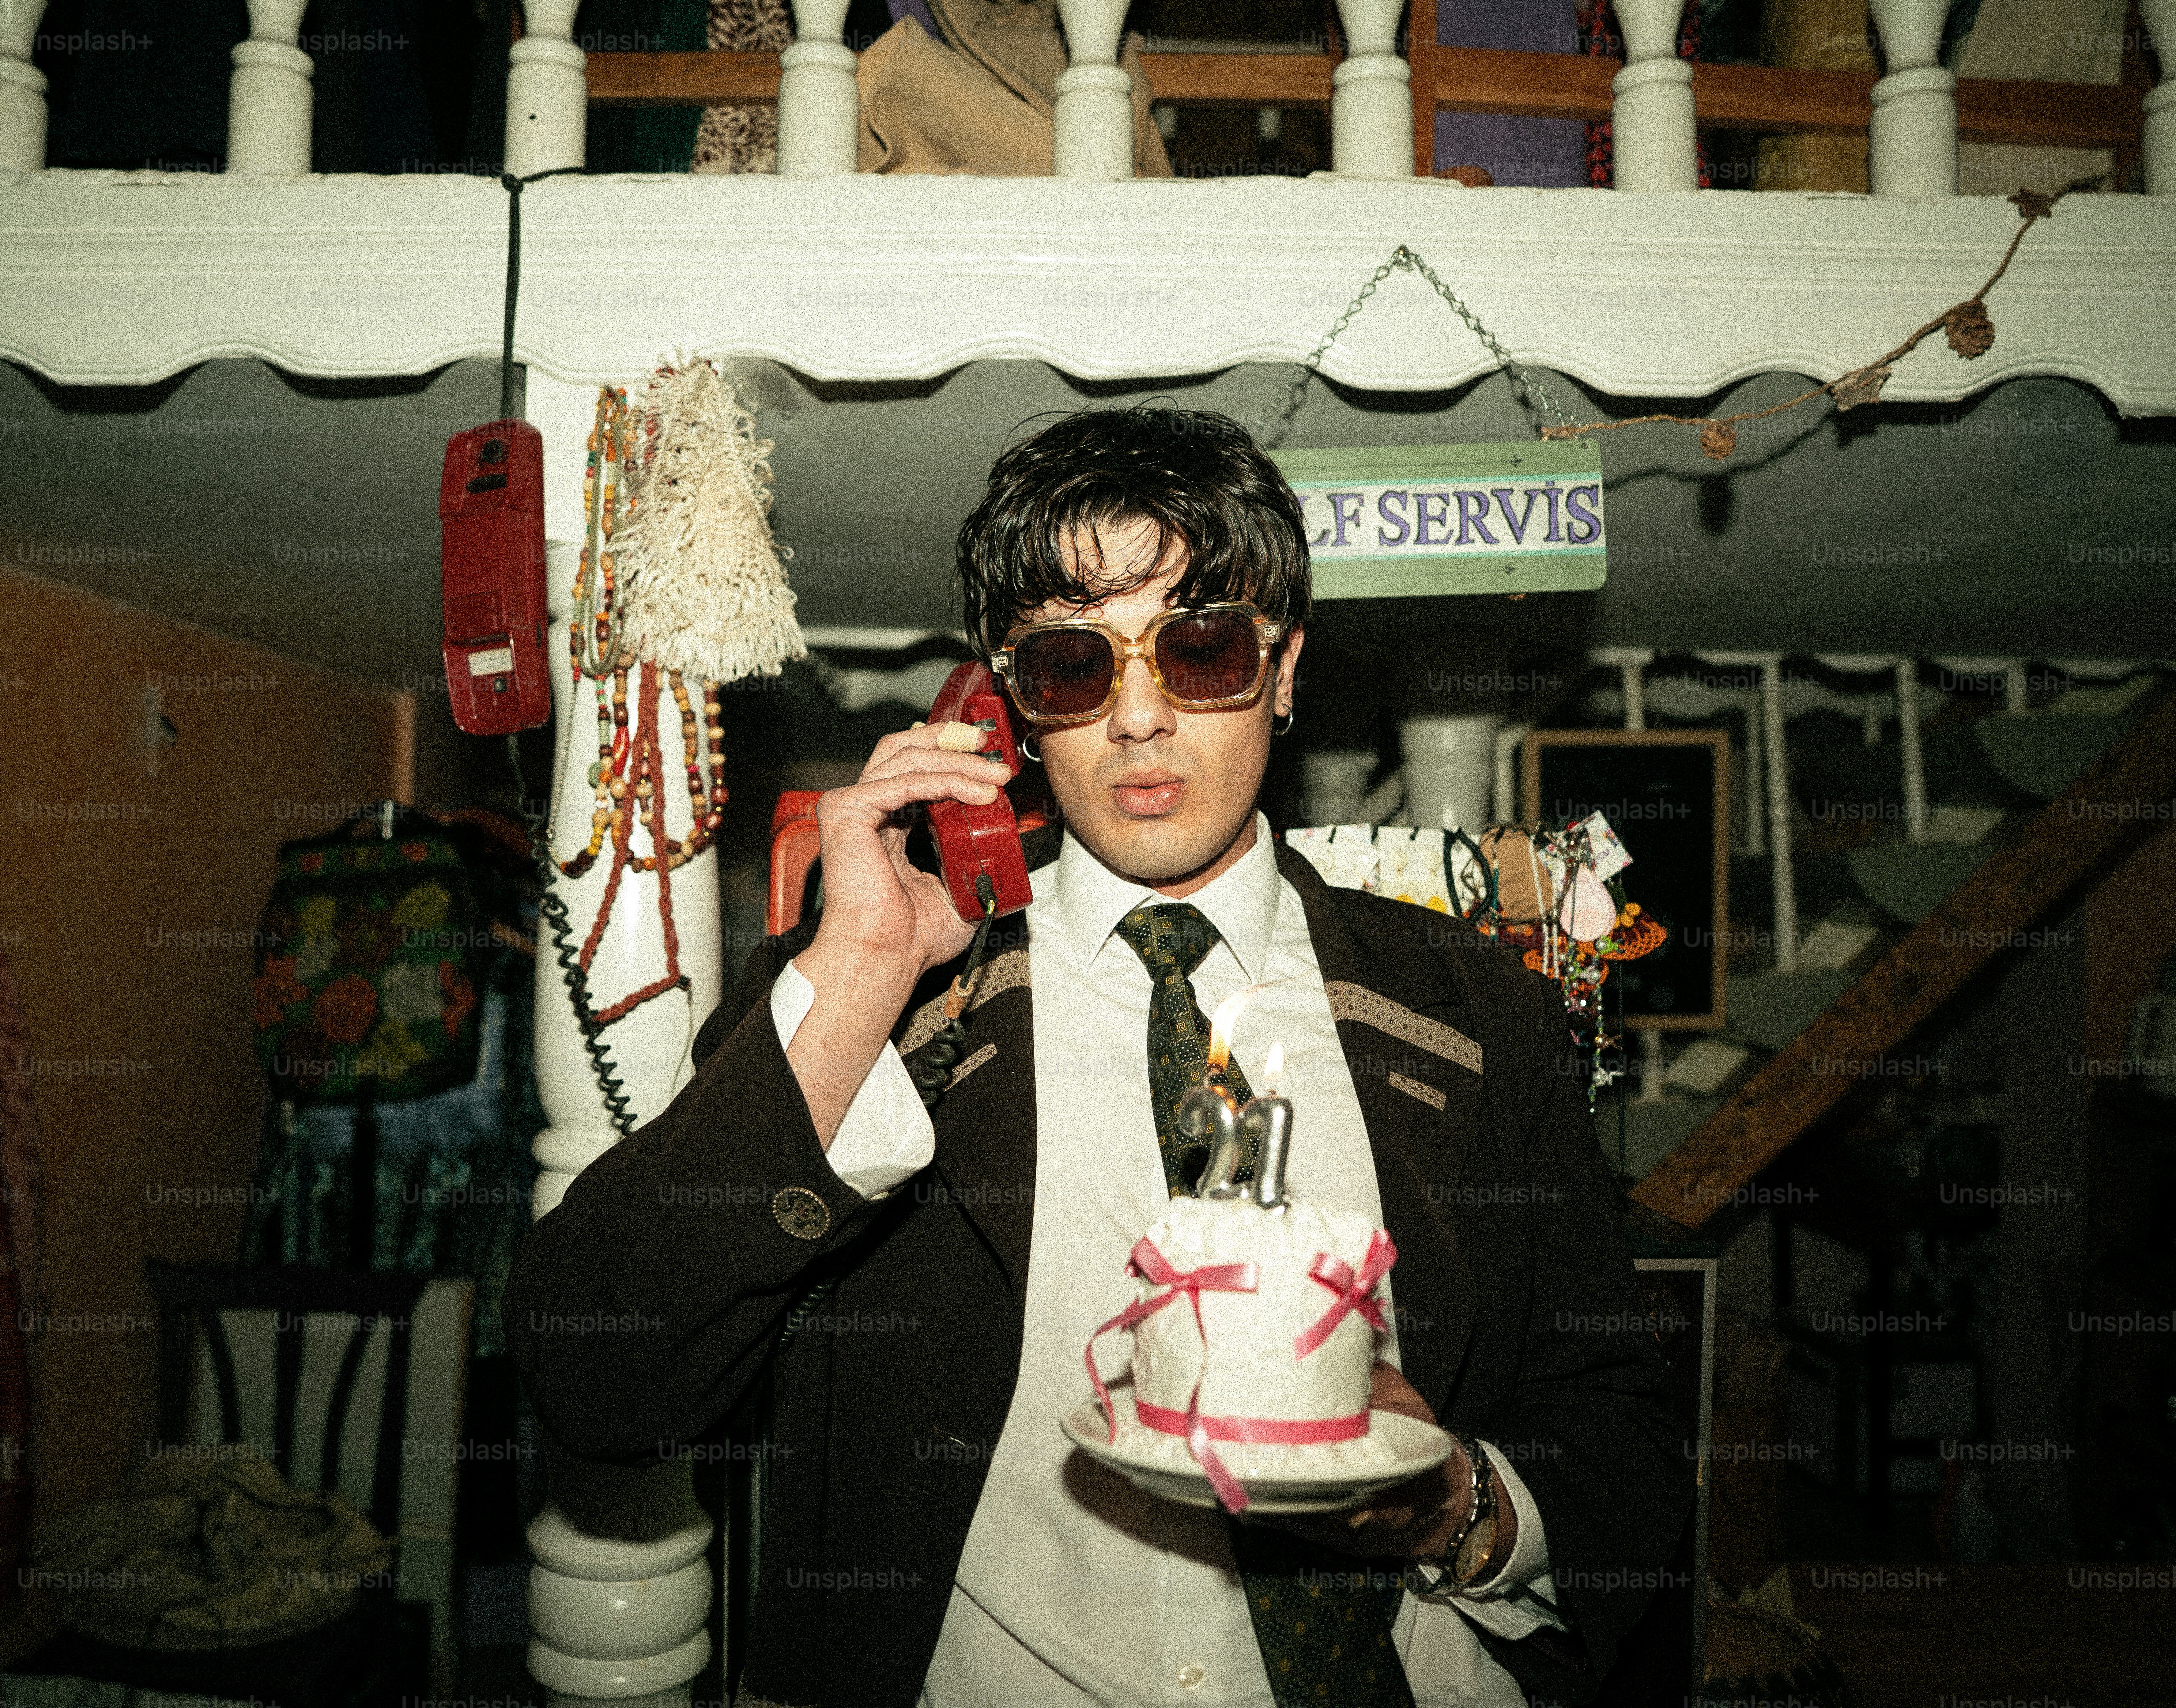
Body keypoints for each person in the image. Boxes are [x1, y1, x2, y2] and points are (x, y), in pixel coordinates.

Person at [511, 406, 1692, 1708]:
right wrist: (861, 973)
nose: (1138, 718)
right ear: (1007, 705)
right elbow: (594, 1372)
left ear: (1285, 668)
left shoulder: (1476, 1016)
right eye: (1076, 664)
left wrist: (1451, 1513)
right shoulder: (888, 1009)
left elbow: (1622, 1443)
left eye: (1198, 648)